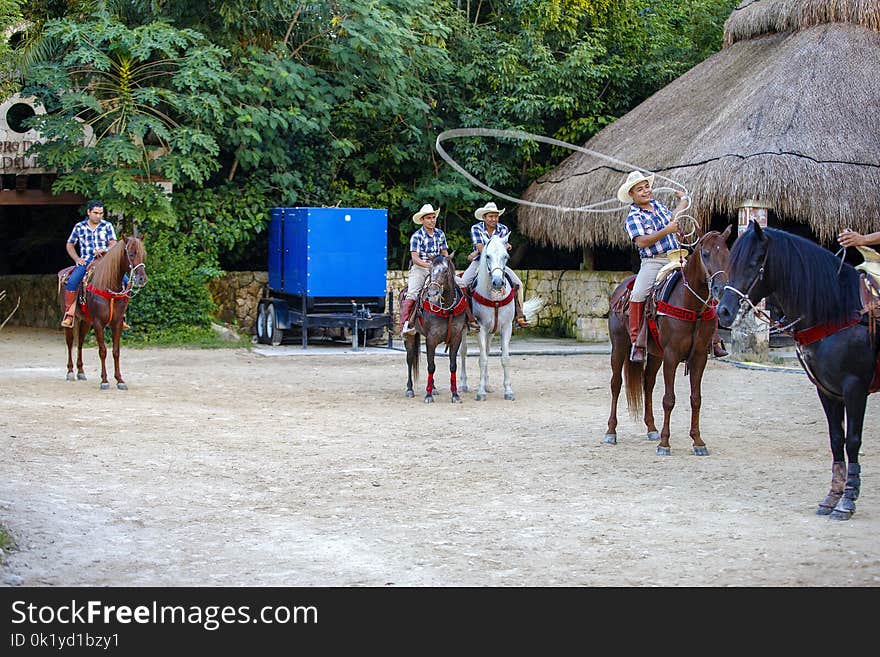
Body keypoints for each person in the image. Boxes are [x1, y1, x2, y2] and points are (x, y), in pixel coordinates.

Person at [619, 170, 726, 361]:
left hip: (677, 257)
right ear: (632, 195)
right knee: (638, 293)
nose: (645, 191)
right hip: (653, 262)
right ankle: (638, 342)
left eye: (646, 187)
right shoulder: (633, 216)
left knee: (703, 284)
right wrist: (667, 230)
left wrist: (684, 200)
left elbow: (674, 216)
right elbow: (642, 241)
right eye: (639, 189)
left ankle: (713, 339)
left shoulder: (658, 206)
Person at [458, 201, 530, 328]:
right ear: (484, 217)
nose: (493, 219)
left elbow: (503, 248)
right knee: (463, 283)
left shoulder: (503, 229)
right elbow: (481, 248)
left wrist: (504, 247)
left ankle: (519, 315)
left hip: (497, 264)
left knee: (518, 283)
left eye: (496, 216)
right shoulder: (476, 228)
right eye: (490, 216)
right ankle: (467, 316)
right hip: (480, 262)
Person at [61, 200, 129, 329]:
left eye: (101, 213)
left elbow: (113, 243)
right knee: (72, 281)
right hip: (86, 261)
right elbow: (70, 244)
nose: (98, 216)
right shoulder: (79, 227)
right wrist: (76, 258)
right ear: (88, 212)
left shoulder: (107, 226)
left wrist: (106, 250)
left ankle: (122, 315)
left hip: (105, 261)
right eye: (95, 213)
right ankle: (69, 314)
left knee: (125, 282)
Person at [399, 203, 449, 335]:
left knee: (459, 286)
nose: (432, 220)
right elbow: (415, 258)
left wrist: (445, 263)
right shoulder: (417, 236)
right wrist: (429, 266)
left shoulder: (440, 234)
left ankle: (466, 320)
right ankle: (405, 325)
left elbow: (444, 253)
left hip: (438, 268)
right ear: (422, 220)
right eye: (429, 218)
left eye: (433, 217)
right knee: (413, 293)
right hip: (421, 268)